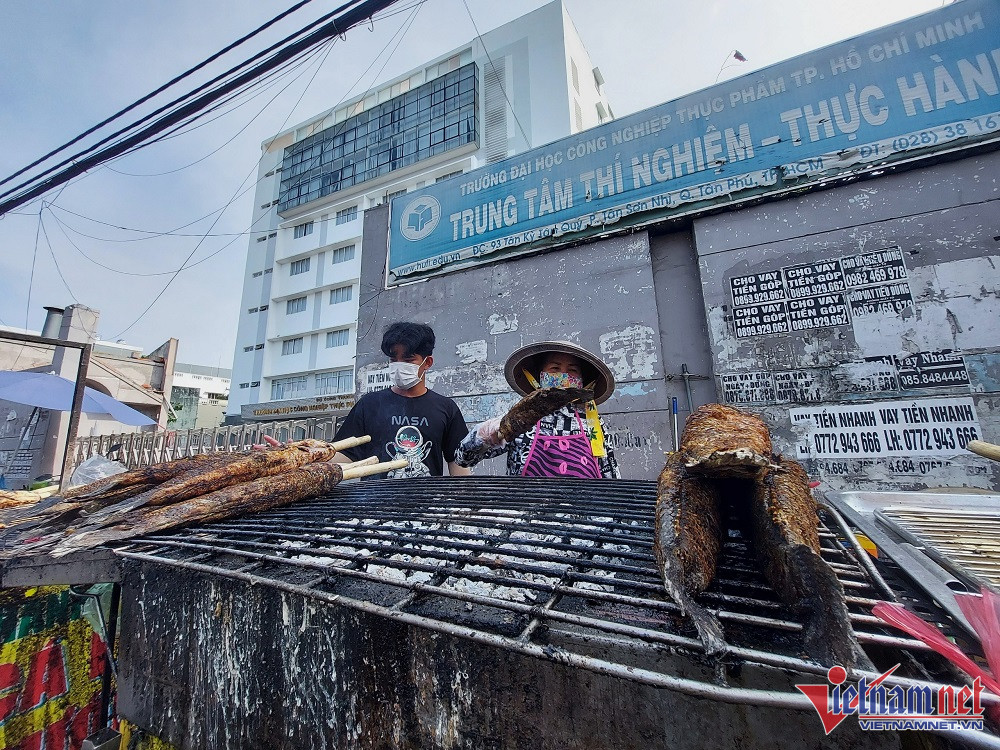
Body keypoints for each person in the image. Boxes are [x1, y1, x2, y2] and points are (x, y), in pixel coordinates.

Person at [454, 341, 620, 478]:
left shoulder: (592, 422)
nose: (563, 375)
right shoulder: (521, 417)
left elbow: (610, 472)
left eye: (572, 370)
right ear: (540, 375)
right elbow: (463, 459)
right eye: (555, 368)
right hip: (528, 512)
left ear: (581, 379)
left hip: (582, 513)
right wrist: (485, 435)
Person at [333, 322, 471, 478]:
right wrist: (313, 456)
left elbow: (459, 463)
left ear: (427, 363)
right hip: (373, 500)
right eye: (393, 359)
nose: (399, 366)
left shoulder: (446, 408)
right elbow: (345, 455)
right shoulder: (369, 404)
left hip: (427, 500)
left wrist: (462, 495)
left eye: (408, 360)